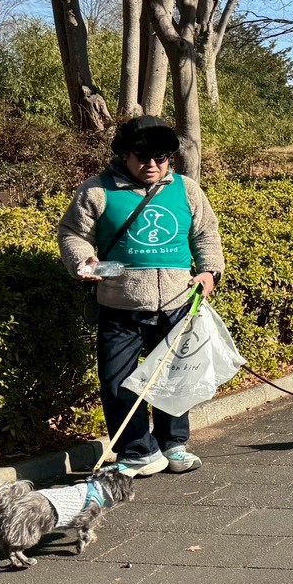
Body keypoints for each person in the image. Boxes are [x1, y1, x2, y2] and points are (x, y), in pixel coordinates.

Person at [57, 116, 224, 476]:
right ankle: (139, 452)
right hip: (120, 303)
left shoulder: (186, 189)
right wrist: (83, 260)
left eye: (160, 158)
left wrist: (209, 272)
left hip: (178, 302)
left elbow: (206, 234)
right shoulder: (97, 190)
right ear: (125, 154)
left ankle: (173, 444)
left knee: (175, 377)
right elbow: (72, 232)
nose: (152, 165)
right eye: (142, 157)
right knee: (117, 382)